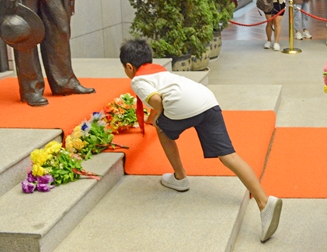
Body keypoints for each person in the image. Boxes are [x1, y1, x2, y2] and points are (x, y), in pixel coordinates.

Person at [119, 39, 283, 243]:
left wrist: (154, 118)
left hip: (181, 107)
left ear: (129, 66)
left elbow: (157, 101)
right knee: (229, 155)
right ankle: (264, 202)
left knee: (161, 128)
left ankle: (180, 177)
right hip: (207, 101)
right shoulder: (160, 71)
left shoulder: (137, 80)